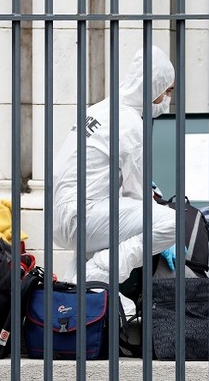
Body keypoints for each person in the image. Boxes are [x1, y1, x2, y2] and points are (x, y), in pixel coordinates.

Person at [53, 46, 176, 289]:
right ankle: (96, 273)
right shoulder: (130, 123)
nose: (167, 99)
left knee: (111, 235)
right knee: (172, 223)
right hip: (82, 215)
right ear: (154, 87)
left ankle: (73, 289)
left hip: (63, 216)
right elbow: (137, 194)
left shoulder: (101, 109)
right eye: (167, 91)